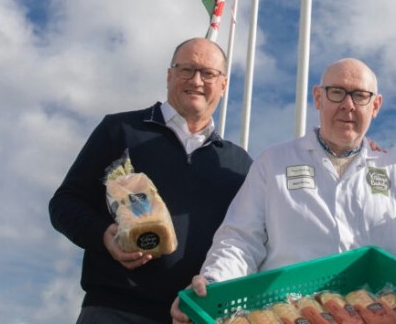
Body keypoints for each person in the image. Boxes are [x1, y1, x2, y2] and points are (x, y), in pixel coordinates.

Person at [171, 57, 396, 323]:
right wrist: (213, 284)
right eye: (337, 92)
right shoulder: (274, 162)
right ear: (318, 97)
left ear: (375, 105)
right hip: (291, 316)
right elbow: (241, 241)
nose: (348, 105)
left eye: (360, 96)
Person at [49, 38, 253, 324]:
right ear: (169, 76)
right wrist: (103, 236)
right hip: (113, 311)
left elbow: (246, 239)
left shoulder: (240, 164)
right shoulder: (119, 130)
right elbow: (64, 204)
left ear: (223, 84)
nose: (196, 81)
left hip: (192, 314)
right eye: (186, 70)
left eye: (208, 73)